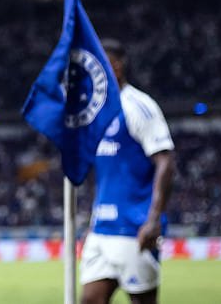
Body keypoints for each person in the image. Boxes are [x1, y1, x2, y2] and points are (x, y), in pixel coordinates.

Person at [80, 39, 176, 304]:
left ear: (117, 68)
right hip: (102, 230)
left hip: (134, 228)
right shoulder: (96, 111)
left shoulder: (138, 106)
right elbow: (105, 175)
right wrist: (93, 222)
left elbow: (166, 161)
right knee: (89, 300)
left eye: (100, 66)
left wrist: (153, 219)